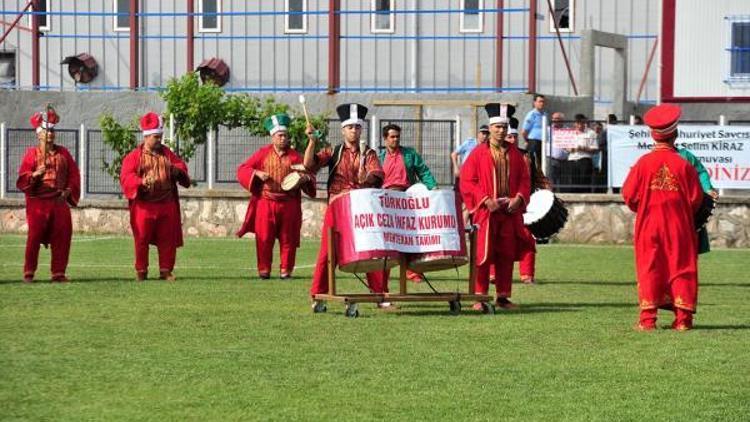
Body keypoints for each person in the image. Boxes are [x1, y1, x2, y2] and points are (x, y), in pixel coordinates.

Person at [622, 104, 704, 331]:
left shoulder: (642, 164)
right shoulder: (684, 165)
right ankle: (683, 320)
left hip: (649, 224)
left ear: (652, 134)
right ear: (675, 134)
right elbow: (696, 199)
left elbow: (629, 195)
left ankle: (648, 320)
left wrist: (645, 205)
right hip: (679, 225)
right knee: (681, 266)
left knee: (649, 267)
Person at [304, 103, 387, 311]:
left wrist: (365, 177)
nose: (354, 131)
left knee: (371, 249)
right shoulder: (333, 151)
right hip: (337, 207)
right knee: (326, 252)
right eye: (350, 127)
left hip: (361, 208)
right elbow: (309, 165)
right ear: (343, 130)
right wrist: (312, 142)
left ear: (361, 129)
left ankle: (379, 294)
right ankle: (318, 294)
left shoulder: (369, 153)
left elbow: (378, 174)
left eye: (357, 127)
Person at [460, 103, 530, 310]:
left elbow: (525, 180)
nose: (501, 131)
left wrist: (518, 198)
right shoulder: (477, 153)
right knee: (482, 254)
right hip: (486, 213)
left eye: (504, 127)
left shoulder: (516, 154)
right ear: (490, 128)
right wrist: (485, 200)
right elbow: (467, 181)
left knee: (506, 254)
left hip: (508, 212)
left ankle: (502, 296)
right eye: (497, 127)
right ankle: (479, 297)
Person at [236, 113, 316, 279]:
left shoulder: (295, 156)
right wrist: (256, 172)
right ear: (272, 137)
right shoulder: (262, 153)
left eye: (285, 135)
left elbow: (309, 172)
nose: (283, 138)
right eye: (280, 135)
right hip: (266, 202)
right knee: (264, 237)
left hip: (289, 203)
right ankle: (264, 270)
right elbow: (243, 169)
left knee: (288, 239)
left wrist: (304, 179)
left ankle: (286, 270)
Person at [120, 112, 191, 281]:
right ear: (146, 137)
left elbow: (180, 165)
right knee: (141, 238)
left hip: (166, 203)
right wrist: (141, 181)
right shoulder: (134, 156)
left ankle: (166, 270)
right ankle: (141, 271)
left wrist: (177, 171)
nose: (159, 140)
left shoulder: (167, 153)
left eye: (160, 137)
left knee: (167, 239)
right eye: (155, 137)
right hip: (144, 205)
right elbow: (126, 176)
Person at [16, 107, 80, 283]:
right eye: (47, 131)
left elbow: (74, 175)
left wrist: (68, 190)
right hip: (38, 203)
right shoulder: (31, 154)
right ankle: (29, 272)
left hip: (59, 202)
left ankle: (58, 272)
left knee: (63, 236)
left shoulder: (63, 153)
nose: (50, 134)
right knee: (34, 237)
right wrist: (35, 175)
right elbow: (23, 177)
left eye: (52, 130)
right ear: (39, 134)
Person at [377, 123, 437, 284]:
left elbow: (423, 172)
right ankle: (383, 277)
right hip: (387, 201)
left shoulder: (410, 154)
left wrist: (433, 187)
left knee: (412, 237)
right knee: (388, 240)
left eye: (397, 136)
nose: (395, 139)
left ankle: (414, 272)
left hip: (407, 199)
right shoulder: (379, 157)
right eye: (392, 137)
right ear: (385, 138)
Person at [506, 117, 550, 285]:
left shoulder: (527, 156)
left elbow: (538, 177)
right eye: (509, 137)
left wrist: (548, 191)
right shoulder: (494, 156)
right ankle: (493, 275)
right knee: (498, 241)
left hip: (524, 206)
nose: (512, 140)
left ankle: (527, 275)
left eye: (514, 137)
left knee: (527, 240)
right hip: (502, 205)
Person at [677, 147, 719, 254]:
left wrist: (707, 188)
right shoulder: (652, 158)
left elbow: (701, 172)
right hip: (662, 212)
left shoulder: (684, 155)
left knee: (688, 251)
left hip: (687, 209)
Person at [567, 114, 598, 193]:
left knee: (584, 181)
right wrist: (571, 149)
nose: (579, 125)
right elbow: (566, 147)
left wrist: (583, 148)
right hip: (572, 159)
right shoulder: (570, 133)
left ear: (585, 123)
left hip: (585, 159)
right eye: (578, 123)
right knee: (573, 181)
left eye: (581, 123)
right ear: (575, 123)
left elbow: (595, 149)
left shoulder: (591, 133)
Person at [521, 94, 547, 169]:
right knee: (533, 164)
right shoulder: (532, 115)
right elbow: (524, 131)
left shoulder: (544, 114)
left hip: (543, 143)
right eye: (540, 101)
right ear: (534, 103)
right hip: (534, 142)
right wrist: (527, 141)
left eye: (543, 102)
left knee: (541, 165)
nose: (542, 103)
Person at [547, 112, 569, 189]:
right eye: (553, 118)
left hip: (565, 160)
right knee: (551, 179)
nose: (554, 120)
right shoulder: (548, 130)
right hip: (552, 159)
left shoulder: (567, 130)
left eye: (557, 118)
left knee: (564, 181)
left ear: (562, 120)